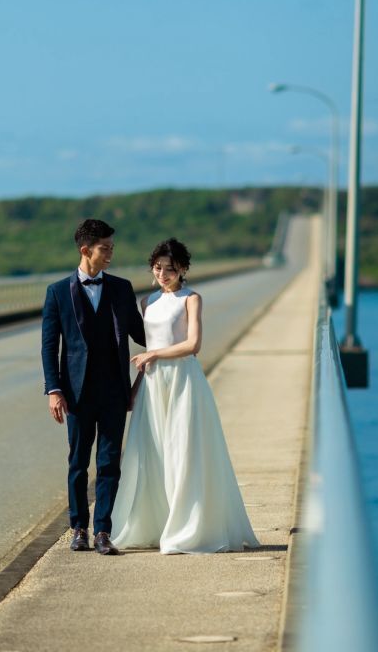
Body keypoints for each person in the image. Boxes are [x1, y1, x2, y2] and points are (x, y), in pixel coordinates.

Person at [111, 237, 260, 554]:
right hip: (153, 383)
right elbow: (148, 349)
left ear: (183, 270)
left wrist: (155, 356)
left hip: (183, 381)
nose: (163, 273)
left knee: (184, 451)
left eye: (170, 268)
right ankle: (159, 524)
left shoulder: (191, 299)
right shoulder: (147, 302)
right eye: (158, 267)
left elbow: (193, 345)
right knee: (151, 455)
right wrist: (135, 389)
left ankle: (187, 529)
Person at [41, 218, 145, 556]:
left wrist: (174, 313)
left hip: (115, 389)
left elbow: (142, 336)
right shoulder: (57, 292)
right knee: (77, 463)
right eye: (106, 248)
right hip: (76, 394)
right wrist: (54, 390)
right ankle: (78, 528)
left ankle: (103, 531)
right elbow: (49, 346)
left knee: (110, 462)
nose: (111, 254)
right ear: (86, 250)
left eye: (112, 248)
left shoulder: (122, 288)